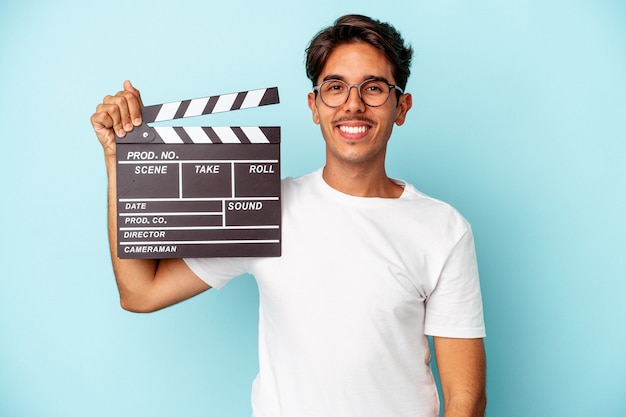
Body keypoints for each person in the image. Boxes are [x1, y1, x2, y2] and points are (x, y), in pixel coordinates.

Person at [91, 14, 486, 417]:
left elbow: (465, 398)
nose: (353, 103)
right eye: (335, 87)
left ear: (401, 107)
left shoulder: (443, 229)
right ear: (314, 106)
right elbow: (140, 292)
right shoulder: (262, 208)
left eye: (373, 88)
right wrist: (118, 162)